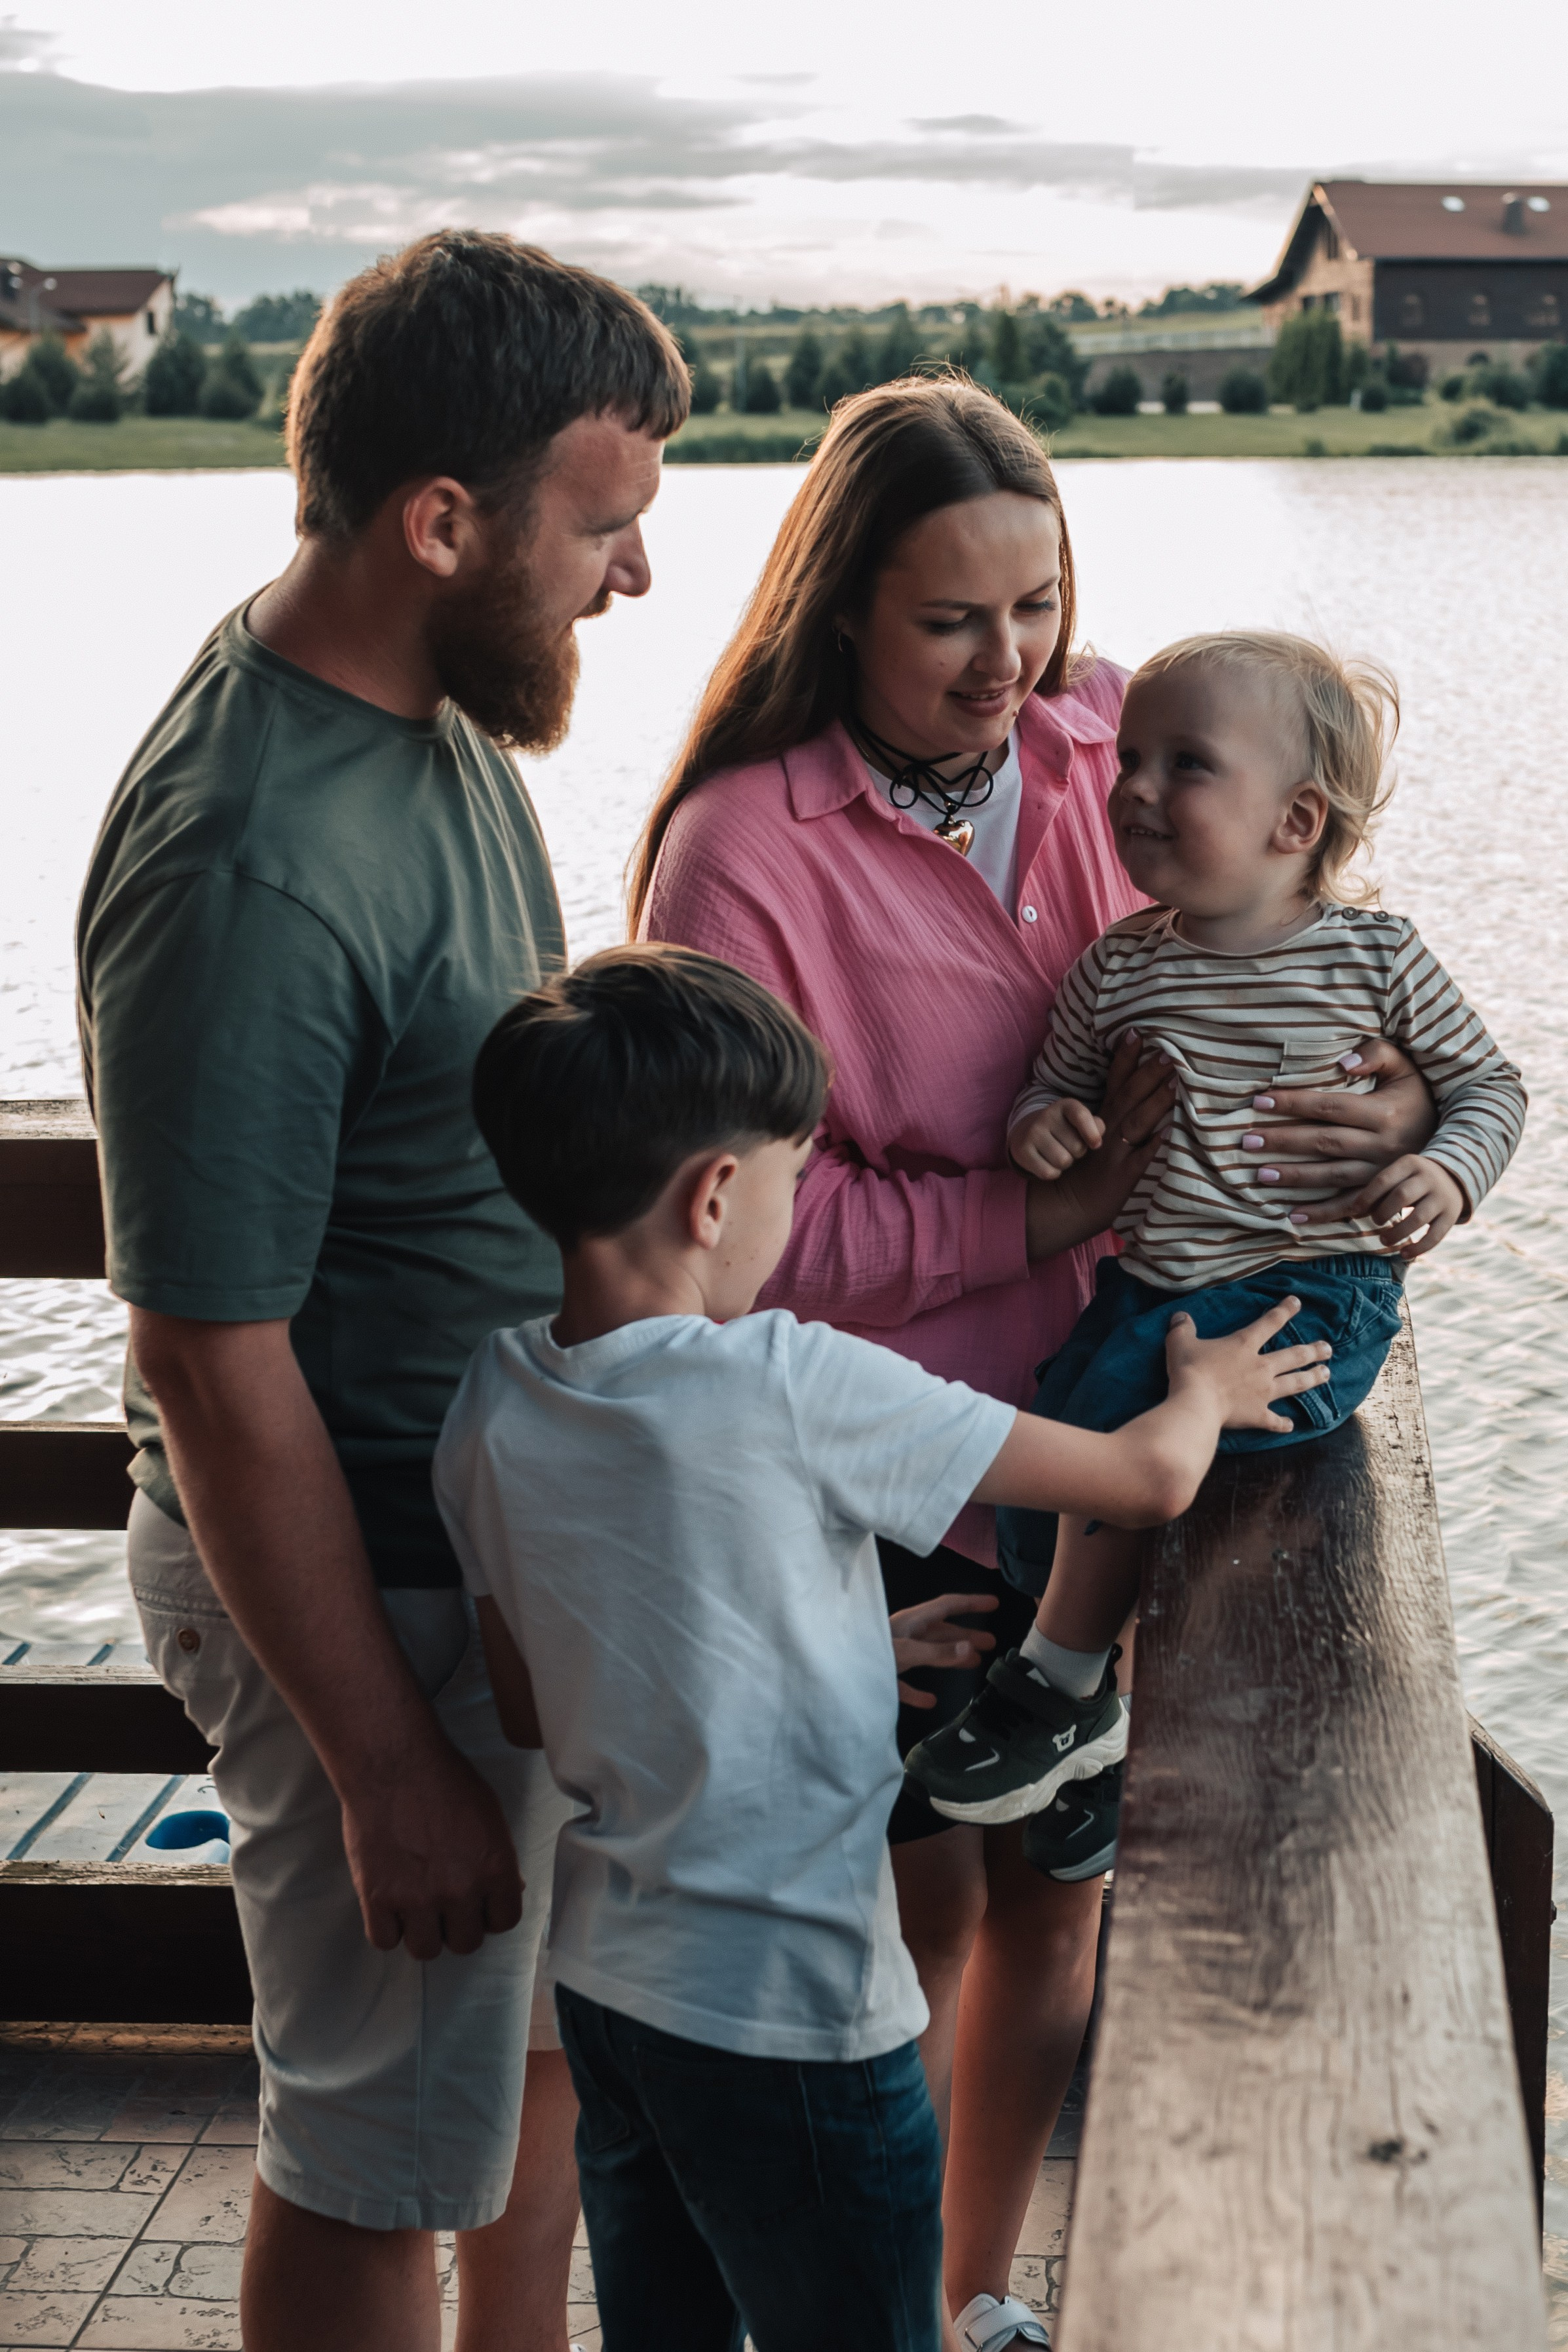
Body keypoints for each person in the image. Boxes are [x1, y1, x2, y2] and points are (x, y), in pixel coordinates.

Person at [631, 376, 1444, 2349]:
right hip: (885, 1455)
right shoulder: (743, 850)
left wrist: (1395, 1100)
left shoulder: (1112, 738)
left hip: (1109, 1418)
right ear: (839, 611)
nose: (1010, 664)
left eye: (1037, 604)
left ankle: (966, 2293)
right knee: (916, 1910)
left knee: (1061, 1891)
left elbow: (1300, 929)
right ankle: (874, 2311)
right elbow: (742, 1236)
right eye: (947, 622)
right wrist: (1028, 1221)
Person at [74, 232, 689, 2352]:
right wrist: (383, 1764)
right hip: (363, 1591)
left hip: (476, 1564)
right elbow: (207, 1355)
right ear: (443, 522)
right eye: (600, 526)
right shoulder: (252, 859)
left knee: (509, 2087)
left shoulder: (426, 720)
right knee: (370, 2154)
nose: (629, 579)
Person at [431, 942, 1335, 2352]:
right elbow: (1139, 1480)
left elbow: (542, 1699)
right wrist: (1209, 1386)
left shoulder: (493, 1397)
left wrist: (841, 1640)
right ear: (715, 1195)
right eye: (796, 1178)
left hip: (612, 1985)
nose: (791, 1215)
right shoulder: (790, 1379)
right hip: (792, 2008)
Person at [904, 630, 1525, 1848]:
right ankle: (1093, 1729)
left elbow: (1489, 1088)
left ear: (1295, 821)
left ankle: (1057, 1687)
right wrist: (1047, 1126)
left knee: (1123, 1431)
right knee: (1045, 1444)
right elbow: (1051, 1087)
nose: (1133, 787)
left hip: (1307, 1296)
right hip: (1153, 1284)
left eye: (1185, 765)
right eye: (1130, 756)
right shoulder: (1117, 968)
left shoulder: (1374, 957)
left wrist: (1444, 1174)